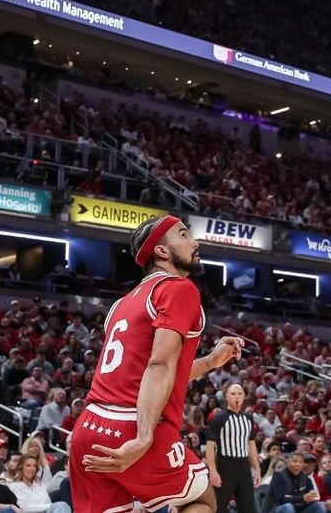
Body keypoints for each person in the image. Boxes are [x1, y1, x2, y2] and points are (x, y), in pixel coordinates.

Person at [68, 214, 245, 513]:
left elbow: (150, 371)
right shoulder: (178, 288)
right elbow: (159, 365)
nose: (195, 242)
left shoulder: (120, 305)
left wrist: (212, 361)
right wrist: (143, 437)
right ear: (162, 251)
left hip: (88, 427)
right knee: (202, 500)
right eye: (184, 235)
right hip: (131, 424)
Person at [206, 384, 260, 513]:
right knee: (219, 506)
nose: (236, 396)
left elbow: (251, 445)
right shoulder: (219, 419)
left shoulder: (249, 418)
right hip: (225, 465)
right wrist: (213, 471)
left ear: (244, 397)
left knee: (248, 507)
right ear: (227, 397)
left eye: (239, 394)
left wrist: (257, 468)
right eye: (233, 394)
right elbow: (210, 447)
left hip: (244, 466)